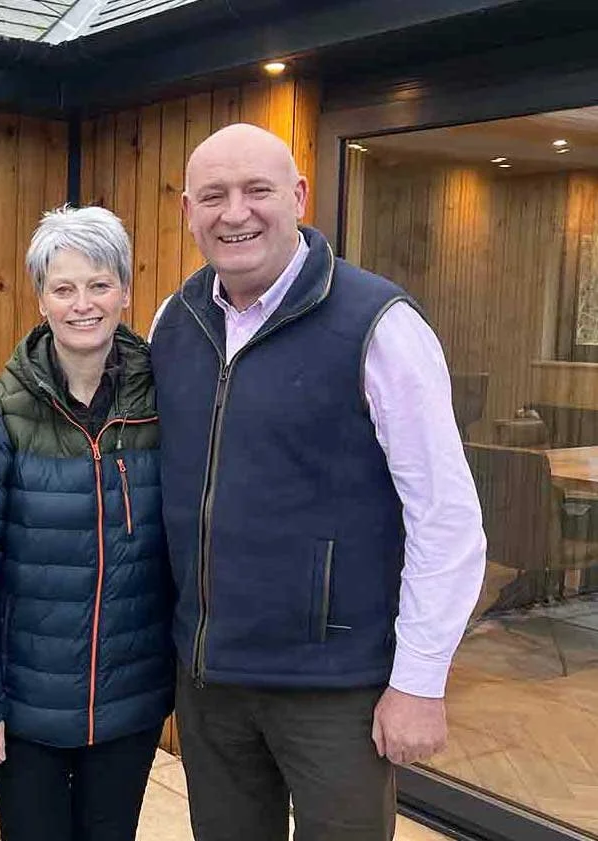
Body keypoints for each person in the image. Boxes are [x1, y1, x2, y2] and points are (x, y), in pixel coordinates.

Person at [148, 123, 486, 841]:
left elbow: (446, 517)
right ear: (188, 211)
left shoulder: (378, 324)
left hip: (336, 693)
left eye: (257, 190)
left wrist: (420, 680)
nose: (234, 212)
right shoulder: (173, 323)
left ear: (299, 196)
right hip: (212, 684)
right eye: (213, 195)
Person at [0, 206, 174, 841]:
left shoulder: (164, 400)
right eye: (64, 287)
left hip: (130, 698)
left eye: (100, 285)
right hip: (26, 708)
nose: (84, 304)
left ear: (126, 291)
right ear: (41, 299)